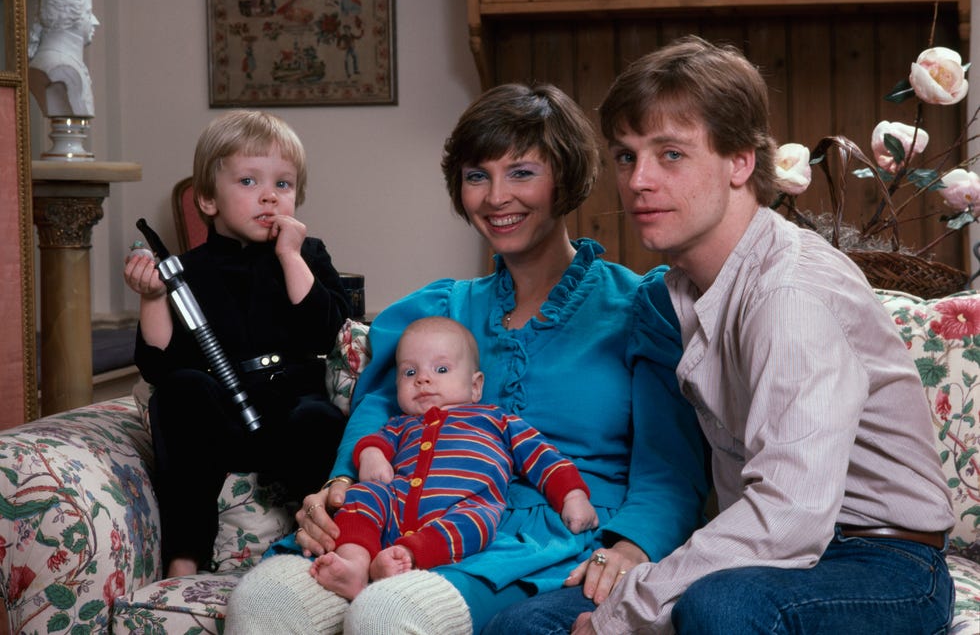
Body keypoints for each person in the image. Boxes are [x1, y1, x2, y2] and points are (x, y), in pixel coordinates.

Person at [225, 83, 709, 634]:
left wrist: (633, 547)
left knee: (388, 613)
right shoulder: (440, 309)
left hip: (554, 540)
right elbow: (379, 406)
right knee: (264, 602)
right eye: (478, 176)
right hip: (404, 517)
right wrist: (340, 483)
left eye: (522, 172)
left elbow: (670, 466)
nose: (496, 196)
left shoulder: (638, 308)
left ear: (566, 179)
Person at [562, 35, 955, 633]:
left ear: (741, 162)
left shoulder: (788, 293)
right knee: (534, 618)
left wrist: (628, 611)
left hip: (883, 561)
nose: (638, 180)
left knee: (717, 608)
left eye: (670, 154)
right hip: (766, 554)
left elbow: (790, 516)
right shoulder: (679, 289)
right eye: (625, 156)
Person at [124, 110, 351, 579]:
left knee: (319, 419)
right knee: (182, 390)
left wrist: (290, 256)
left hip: (291, 410)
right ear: (207, 199)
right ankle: (184, 555)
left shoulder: (308, 254)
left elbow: (329, 331)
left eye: (284, 185)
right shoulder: (187, 271)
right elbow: (159, 366)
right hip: (223, 419)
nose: (270, 195)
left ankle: (334, 541)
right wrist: (153, 298)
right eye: (249, 181)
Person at [308, 315, 598, 600]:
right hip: (397, 502)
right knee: (363, 495)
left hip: (464, 506)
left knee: (477, 523)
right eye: (409, 373)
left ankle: (407, 556)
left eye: (442, 369)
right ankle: (355, 565)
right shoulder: (400, 424)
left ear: (475, 386)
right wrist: (371, 454)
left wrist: (572, 495)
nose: (423, 378)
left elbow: (542, 455)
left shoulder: (496, 420)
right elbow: (375, 441)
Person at [27, 0, 99, 118]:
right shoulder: (60, 69)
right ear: (68, 15)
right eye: (88, 13)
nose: (96, 21)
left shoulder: (54, 63)